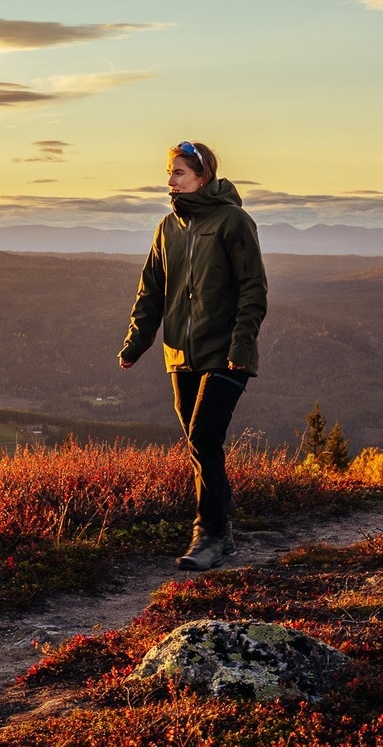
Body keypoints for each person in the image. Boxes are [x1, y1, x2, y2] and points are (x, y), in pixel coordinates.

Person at [118, 140, 268, 571]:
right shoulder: (167, 228)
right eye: (170, 173)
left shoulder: (233, 222)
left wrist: (241, 347)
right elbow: (150, 291)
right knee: (199, 443)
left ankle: (212, 536)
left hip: (225, 353)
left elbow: (253, 290)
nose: (170, 182)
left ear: (203, 177)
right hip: (180, 354)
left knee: (204, 436)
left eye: (179, 173)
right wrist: (136, 344)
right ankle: (221, 515)